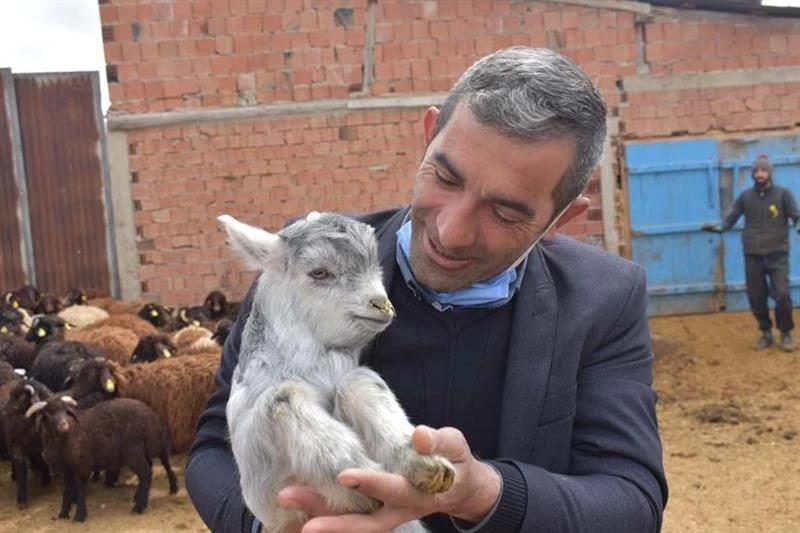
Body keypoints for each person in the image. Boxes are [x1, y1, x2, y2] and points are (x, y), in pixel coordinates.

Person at [186, 46, 668, 533]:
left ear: (561, 219)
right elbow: (215, 448)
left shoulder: (606, 297)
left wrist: (485, 494)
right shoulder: (312, 263)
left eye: (505, 212)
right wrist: (272, 524)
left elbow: (631, 501)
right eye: (445, 176)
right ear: (428, 134)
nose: (452, 231)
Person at [702, 153, 800, 352]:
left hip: (777, 253)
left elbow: (796, 215)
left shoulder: (783, 194)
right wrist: (718, 227)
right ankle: (765, 332)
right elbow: (730, 220)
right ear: (753, 174)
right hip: (753, 254)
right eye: (757, 171)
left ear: (770, 173)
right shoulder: (746, 197)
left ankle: (786, 332)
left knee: (781, 293)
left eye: (763, 170)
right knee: (756, 295)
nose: (760, 174)